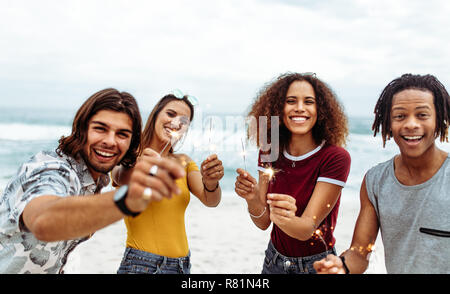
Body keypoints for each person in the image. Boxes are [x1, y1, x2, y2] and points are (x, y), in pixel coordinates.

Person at [0, 88, 185, 274]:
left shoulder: (97, 177)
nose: (110, 141)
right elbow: (42, 221)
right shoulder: (52, 168)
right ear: (82, 129)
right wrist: (126, 199)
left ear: (131, 142)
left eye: (122, 134)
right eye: (100, 128)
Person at [313, 73, 450, 274]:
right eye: (400, 116)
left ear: (440, 119)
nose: (411, 124)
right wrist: (341, 267)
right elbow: (360, 254)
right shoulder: (375, 182)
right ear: (387, 123)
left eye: (422, 115)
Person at [235, 72, 351, 274]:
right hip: (274, 261)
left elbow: (306, 229)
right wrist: (252, 199)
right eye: (290, 101)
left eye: (309, 102)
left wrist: (284, 217)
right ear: (278, 108)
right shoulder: (269, 150)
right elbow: (263, 222)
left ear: (320, 110)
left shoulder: (335, 157)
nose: (299, 108)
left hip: (317, 265)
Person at [113, 91, 224, 274]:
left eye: (184, 121)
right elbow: (119, 175)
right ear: (156, 114)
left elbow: (211, 200)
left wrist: (211, 182)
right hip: (142, 265)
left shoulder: (184, 161)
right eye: (170, 114)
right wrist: (140, 168)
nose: (176, 123)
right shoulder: (131, 155)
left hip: (182, 266)